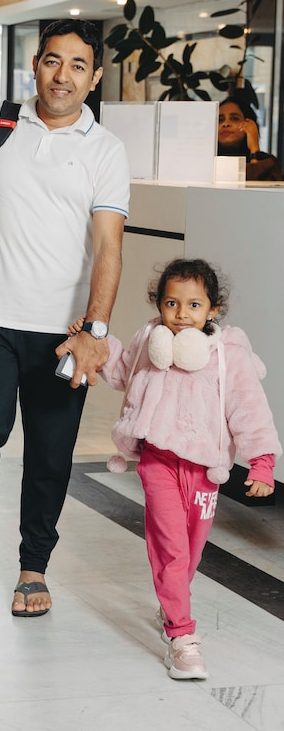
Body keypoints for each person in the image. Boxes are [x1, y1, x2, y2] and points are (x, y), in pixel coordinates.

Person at [0, 18, 131, 614]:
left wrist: (94, 331)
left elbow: (109, 248)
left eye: (78, 65)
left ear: (94, 77)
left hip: (63, 334)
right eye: (52, 61)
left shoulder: (106, 150)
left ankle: (34, 565)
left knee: (50, 452)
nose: (62, 76)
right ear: (35, 64)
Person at [90, 258, 280, 679]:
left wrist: (262, 463)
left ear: (213, 309)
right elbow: (123, 372)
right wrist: (98, 344)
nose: (181, 313)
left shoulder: (227, 356)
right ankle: (181, 635)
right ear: (159, 304)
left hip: (204, 471)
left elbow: (249, 409)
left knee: (190, 551)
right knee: (170, 548)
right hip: (158, 460)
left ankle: (171, 604)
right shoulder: (151, 341)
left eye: (194, 305)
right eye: (171, 303)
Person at [217, 97, 283, 181]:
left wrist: (254, 149)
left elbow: (257, 187)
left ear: (251, 125)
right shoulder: (206, 161)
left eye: (234, 119)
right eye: (220, 120)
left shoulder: (267, 162)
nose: (225, 124)